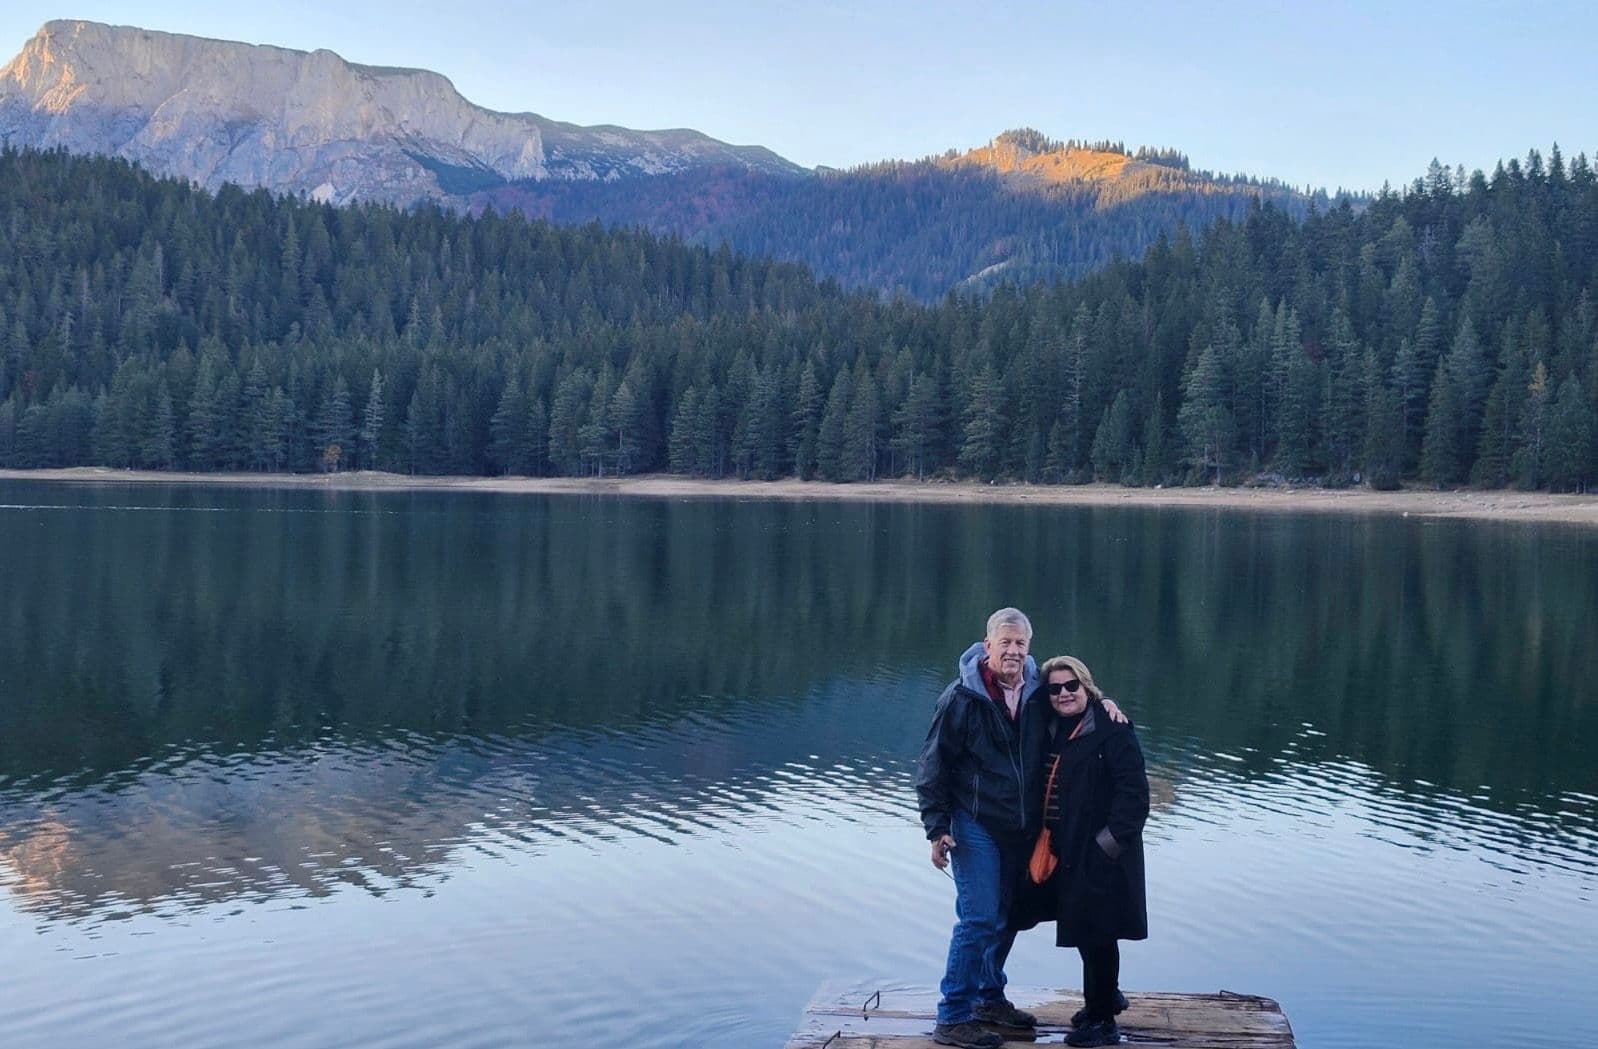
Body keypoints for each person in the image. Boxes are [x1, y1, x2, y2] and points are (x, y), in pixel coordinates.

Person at [916, 610, 1124, 1049]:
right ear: (987, 645)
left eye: (1020, 644)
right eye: (1005, 642)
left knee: (1004, 917)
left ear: (1029, 647)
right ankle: (953, 1016)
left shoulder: (1037, 689)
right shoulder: (961, 698)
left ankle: (989, 999)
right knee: (977, 917)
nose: (1012, 651)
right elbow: (933, 765)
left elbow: (1075, 707)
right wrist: (937, 827)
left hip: (1022, 826)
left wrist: (1104, 706)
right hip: (974, 822)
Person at [1020, 655, 1149, 1049]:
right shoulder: (1053, 726)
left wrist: (1103, 848)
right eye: (1055, 688)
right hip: (1065, 851)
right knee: (1083, 931)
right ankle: (1103, 1000)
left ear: (1087, 688)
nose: (1063, 694)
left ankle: (1104, 1022)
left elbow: (1135, 799)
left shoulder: (1113, 730)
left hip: (1103, 856)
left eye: (1071, 686)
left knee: (1099, 935)